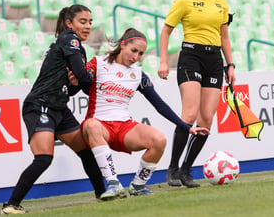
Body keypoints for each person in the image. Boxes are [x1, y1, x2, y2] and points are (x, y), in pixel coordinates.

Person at [78, 28, 210, 201]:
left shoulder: (139, 74)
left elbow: (159, 105)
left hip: (124, 127)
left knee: (159, 140)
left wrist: (186, 127)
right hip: (100, 125)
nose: (136, 57)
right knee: (91, 125)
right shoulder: (97, 63)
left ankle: (138, 185)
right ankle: (113, 183)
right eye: (133, 51)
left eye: (140, 53)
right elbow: (78, 84)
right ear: (123, 45)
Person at [1, 4, 105, 214]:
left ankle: (103, 194)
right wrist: (88, 78)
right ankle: (11, 205)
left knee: (86, 152)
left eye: (90, 22)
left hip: (59, 107)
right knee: (44, 158)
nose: (87, 26)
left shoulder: (77, 48)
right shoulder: (69, 39)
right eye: (82, 22)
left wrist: (78, 81)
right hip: (40, 105)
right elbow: (84, 78)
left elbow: (78, 86)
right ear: (69, 23)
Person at [157, 0, 236, 188]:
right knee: (189, 114)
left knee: (207, 119)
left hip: (214, 60)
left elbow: (224, 37)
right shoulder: (184, 1)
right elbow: (165, 33)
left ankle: (185, 170)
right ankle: (172, 168)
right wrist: (163, 61)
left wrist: (230, 65)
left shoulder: (221, 2)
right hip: (191, 57)